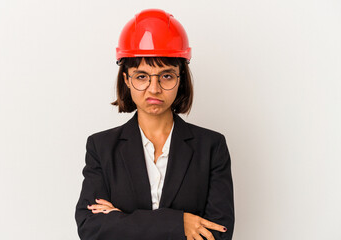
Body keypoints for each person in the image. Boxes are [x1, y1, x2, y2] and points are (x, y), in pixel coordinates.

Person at [75, 8, 235, 240]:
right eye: (142, 76)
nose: (154, 88)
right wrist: (178, 223)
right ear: (126, 79)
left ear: (181, 79)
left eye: (166, 76)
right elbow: (91, 228)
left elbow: (218, 234)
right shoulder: (101, 147)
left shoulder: (211, 147)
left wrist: (121, 220)